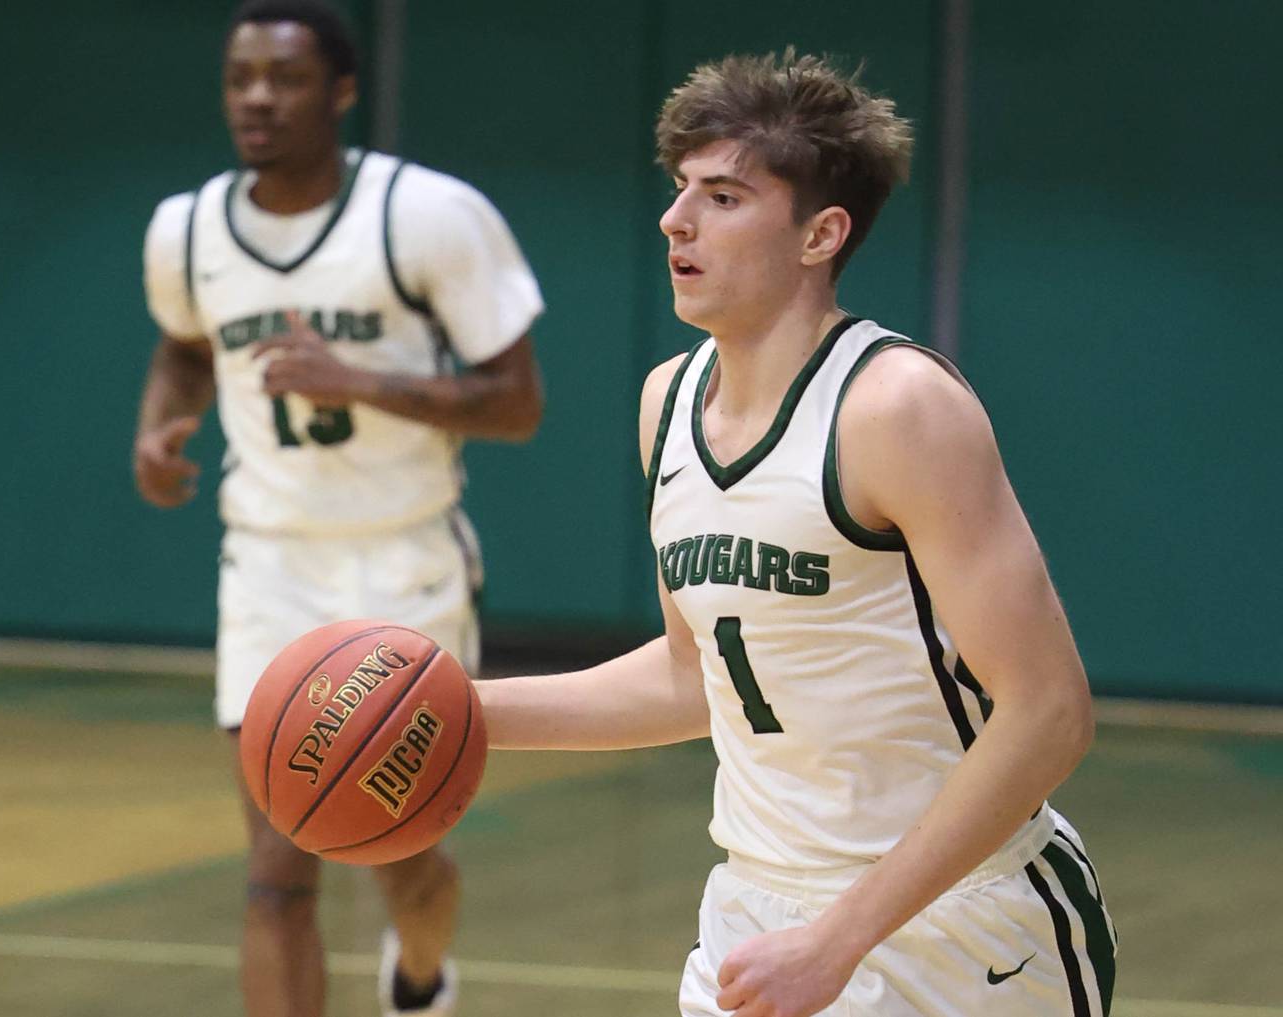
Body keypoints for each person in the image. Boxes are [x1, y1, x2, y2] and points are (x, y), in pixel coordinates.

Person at [476, 51, 1116, 1017]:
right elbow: (694, 678)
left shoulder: (897, 408)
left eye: (724, 196)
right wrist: (459, 716)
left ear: (821, 233)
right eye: (680, 188)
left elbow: (1050, 711)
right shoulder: (668, 402)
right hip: (758, 904)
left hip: (960, 926)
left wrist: (842, 936)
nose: (676, 219)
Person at [132, 2, 545, 1014]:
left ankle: (420, 975)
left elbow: (518, 403)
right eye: (241, 79)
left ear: (343, 91)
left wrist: (356, 380)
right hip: (270, 563)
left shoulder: (427, 216)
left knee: (399, 858)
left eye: (286, 78)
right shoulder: (185, 232)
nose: (259, 98)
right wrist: (158, 427)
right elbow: (188, 347)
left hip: (402, 563)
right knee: (276, 869)